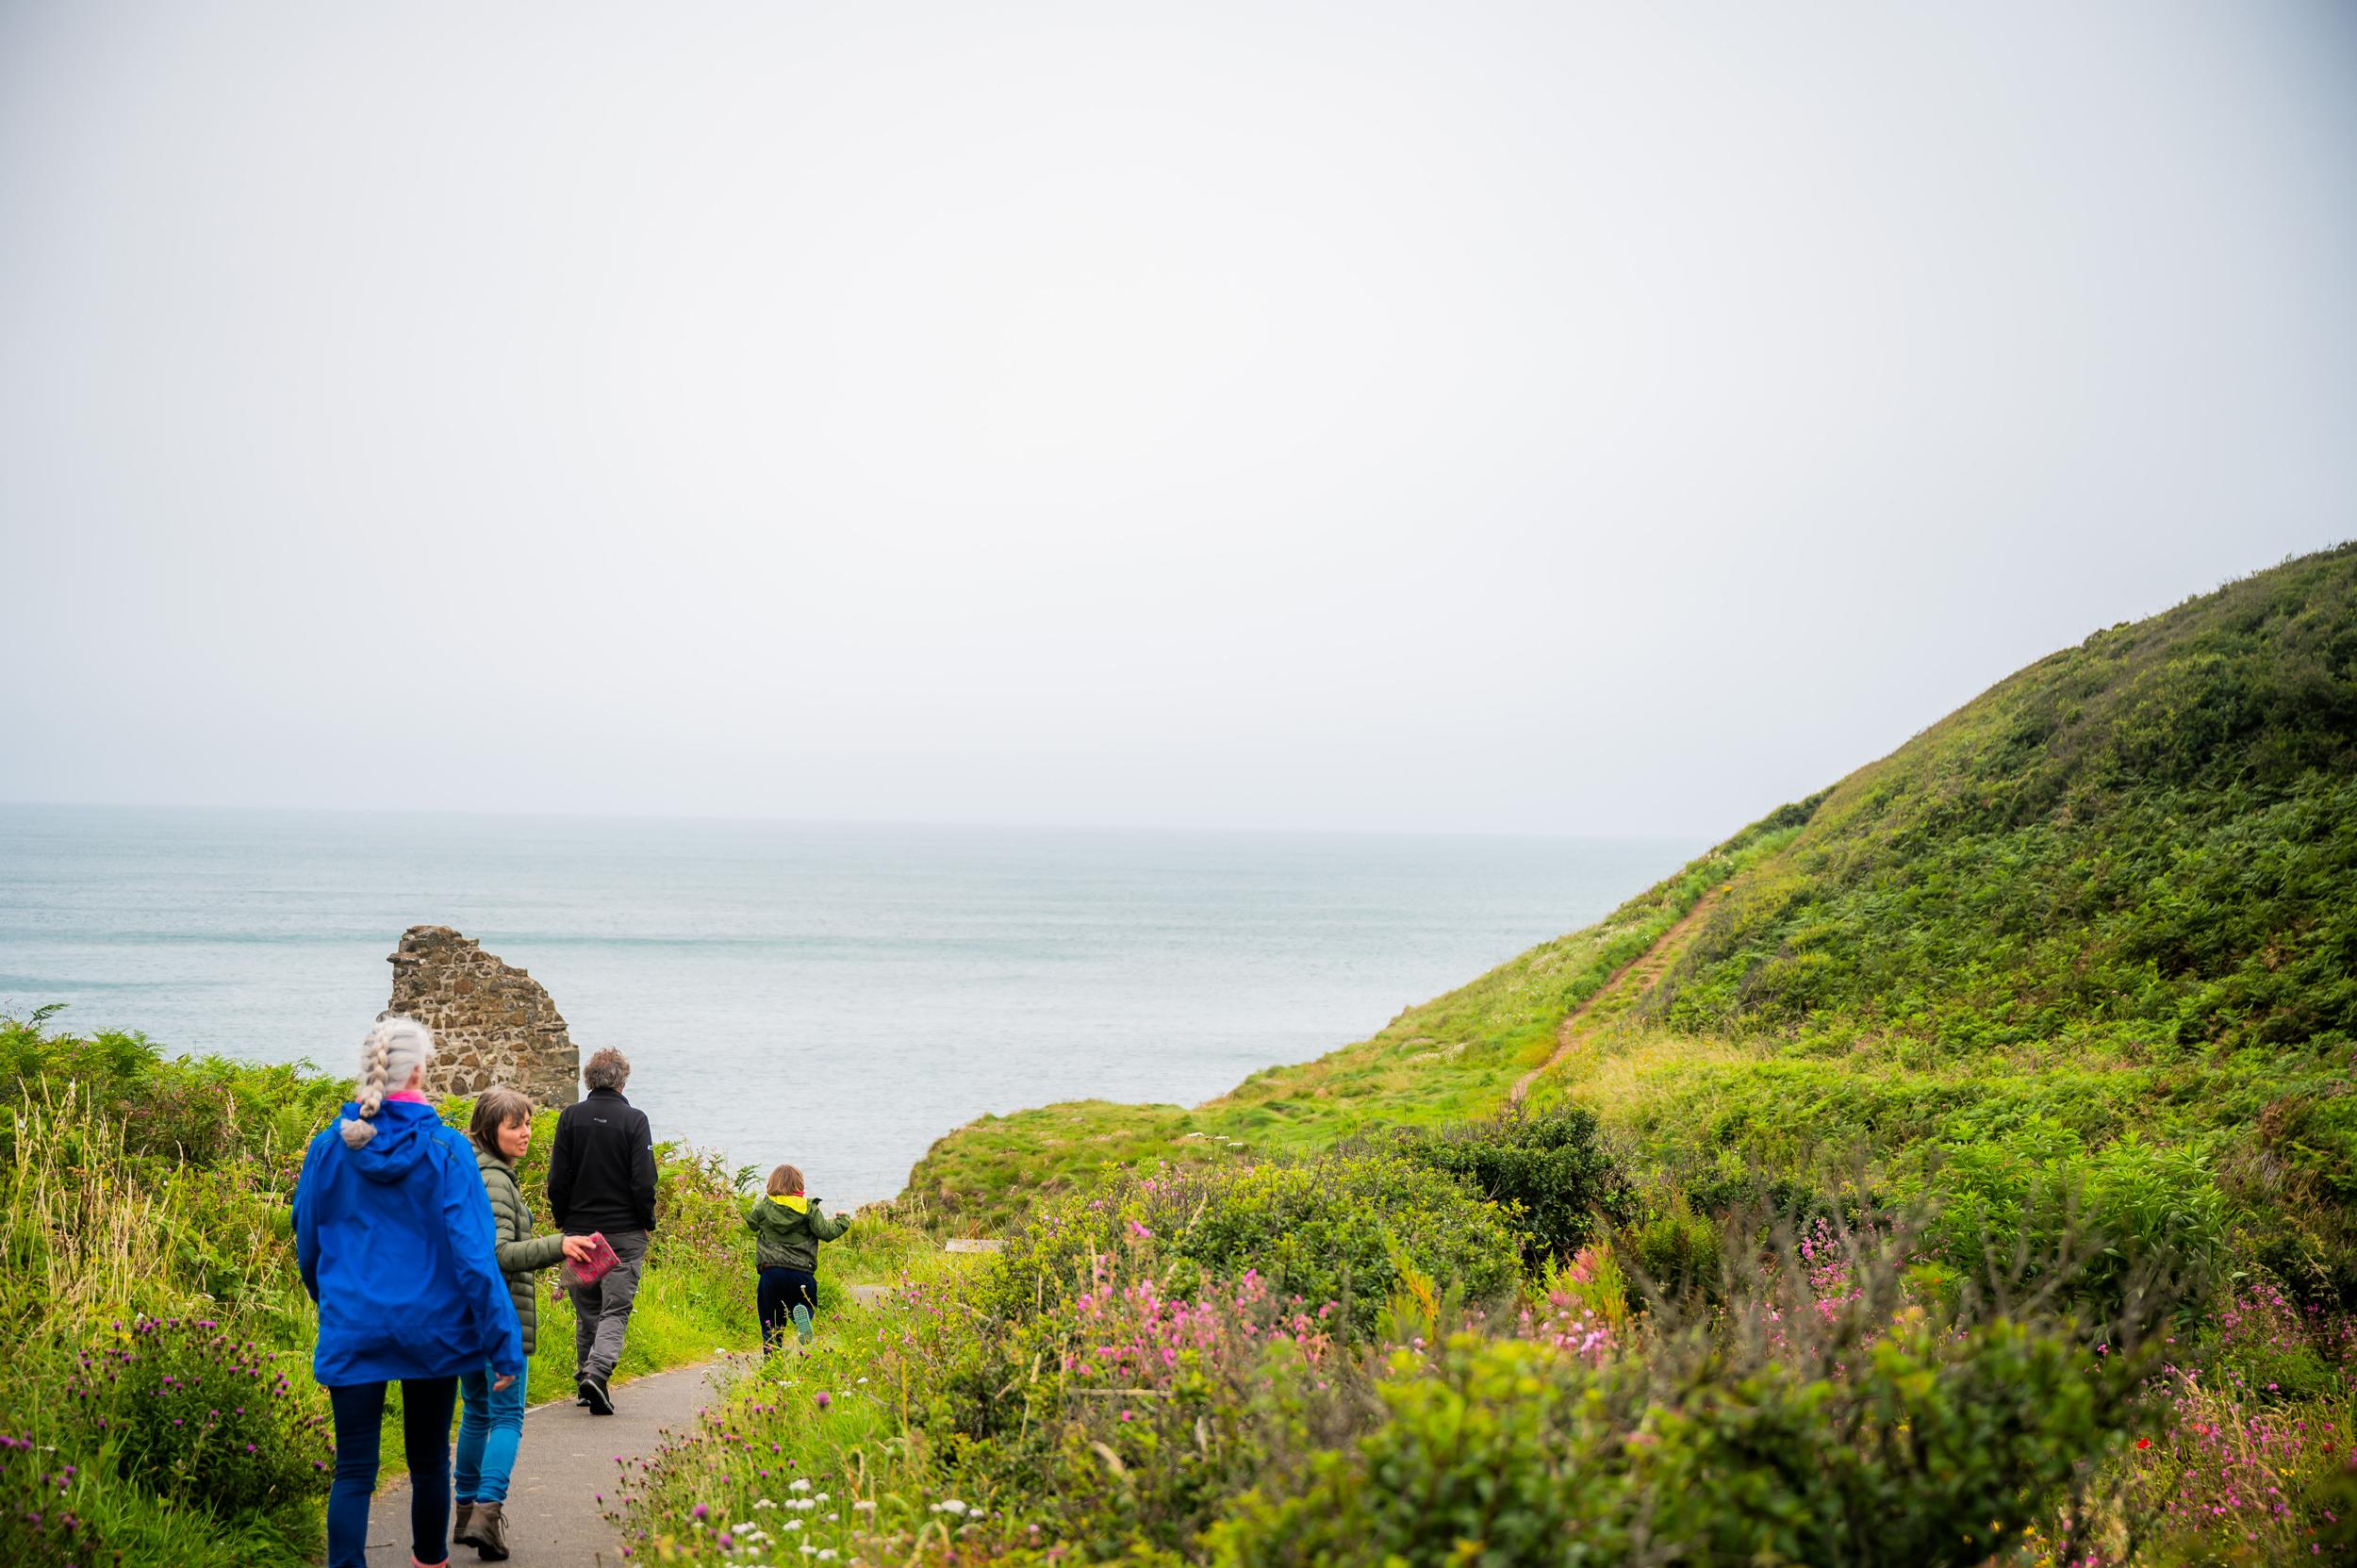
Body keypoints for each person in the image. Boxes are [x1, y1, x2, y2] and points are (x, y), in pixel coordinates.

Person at [294, 1015, 524, 1568]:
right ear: (421, 1069)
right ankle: (430, 1562)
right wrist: (503, 1341)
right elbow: (473, 1258)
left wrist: (333, 1306)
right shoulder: (447, 1151)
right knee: (427, 1461)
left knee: (353, 1471)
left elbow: (308, 1243)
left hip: (354, 1324)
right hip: (435, 1330)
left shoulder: (329, 1148)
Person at [453, 1087, 595, 1561]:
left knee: (475, 1411)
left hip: (466, 1314)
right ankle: (487, 1517)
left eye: (529, 1123)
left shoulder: (470, 1170)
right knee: (507, 1416)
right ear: (489, 1130)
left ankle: (463, 1513)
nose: (527, 1133)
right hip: (498, 1315)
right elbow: (498, 1255)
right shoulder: (494, 1179)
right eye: (515, 1125)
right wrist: (561, 1244)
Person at [545, 1046, 656, 1414]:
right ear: (622, 1081)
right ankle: (596, 1372)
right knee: (615, 1310)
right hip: (624, 1233)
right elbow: (644, 1182)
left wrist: (564, 1223)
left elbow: (557, 1179)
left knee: (588, 1309)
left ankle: (585, 1381)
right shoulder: (635, 1121)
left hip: (580, 1231)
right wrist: (646, 1221)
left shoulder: (570, 1118)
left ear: (588, 1080)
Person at [745, 1164, 852, 1350]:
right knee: (802, 1303)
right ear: (799, 1185)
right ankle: (802, 1318)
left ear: (772, 1184)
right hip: (801, 1274)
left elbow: (751, 1223)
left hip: (771, 1273)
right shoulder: (809, 1208)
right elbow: (826, 1233)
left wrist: (765, 1205)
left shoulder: (765, 1207)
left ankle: (772, 1365)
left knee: (772, 1323)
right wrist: (842, 1220)